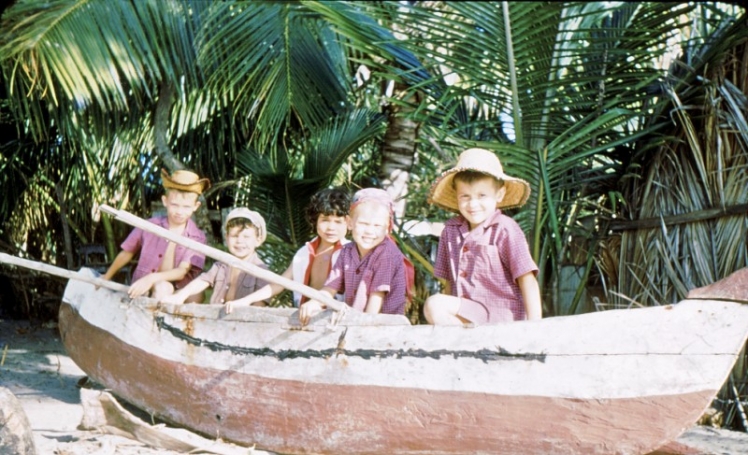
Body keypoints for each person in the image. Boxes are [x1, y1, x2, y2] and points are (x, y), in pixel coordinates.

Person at [423, 147, 542, 325]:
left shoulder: (505, 229)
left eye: (482, 195)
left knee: (434, 304)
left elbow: (528, 280)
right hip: (470, 314)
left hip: (502, 318)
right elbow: (449, 283)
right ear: (456, 196)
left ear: (499, 194)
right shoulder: (450, 231)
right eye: (465, 196)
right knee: (434, 305)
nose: (473, 204)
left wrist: (534, 328)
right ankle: (467, 345)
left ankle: (478, 342)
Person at [224, 187, 350, 313]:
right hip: (303, 318)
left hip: (337, 320)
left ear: (348, 223)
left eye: (338, 222)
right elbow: (278, 284)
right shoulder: (304, 253)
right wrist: (246, 300)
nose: (331, 227)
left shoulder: (350, 252)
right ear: (315, 220)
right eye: (325, 220)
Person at [299, 188, 409, 326]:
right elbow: (330, 288)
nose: (370, 231)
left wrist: (362, 329)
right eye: (363, 224)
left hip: (385, 325)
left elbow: (376, 299)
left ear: (387, 228)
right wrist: (315, 302)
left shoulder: (387, 253)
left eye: (377, 226)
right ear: (349, 223)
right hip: (357, 322)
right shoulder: (346, 252)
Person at [102, 169, 209, 301]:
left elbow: (182, 272)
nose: (180, 212)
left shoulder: (197, 237)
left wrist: (151, 278)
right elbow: (127, 252)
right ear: (165, 201)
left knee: (165, 289)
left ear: (195, 206)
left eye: (186, 207)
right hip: (144, 284)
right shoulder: (148, 226)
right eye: (174, 205)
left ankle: (162, 318)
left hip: (176, 289)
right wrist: (107, 276)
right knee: (156, 290)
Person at [160, 208, 271, 307]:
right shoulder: (221, 265)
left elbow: (259, 305)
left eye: (246, 236)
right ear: (227, 238)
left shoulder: (261, 270)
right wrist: (181, 296)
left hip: (245, 324)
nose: (240, 241)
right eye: (234, 236)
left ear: (258, 240)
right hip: (216, 319)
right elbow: (203, 280)